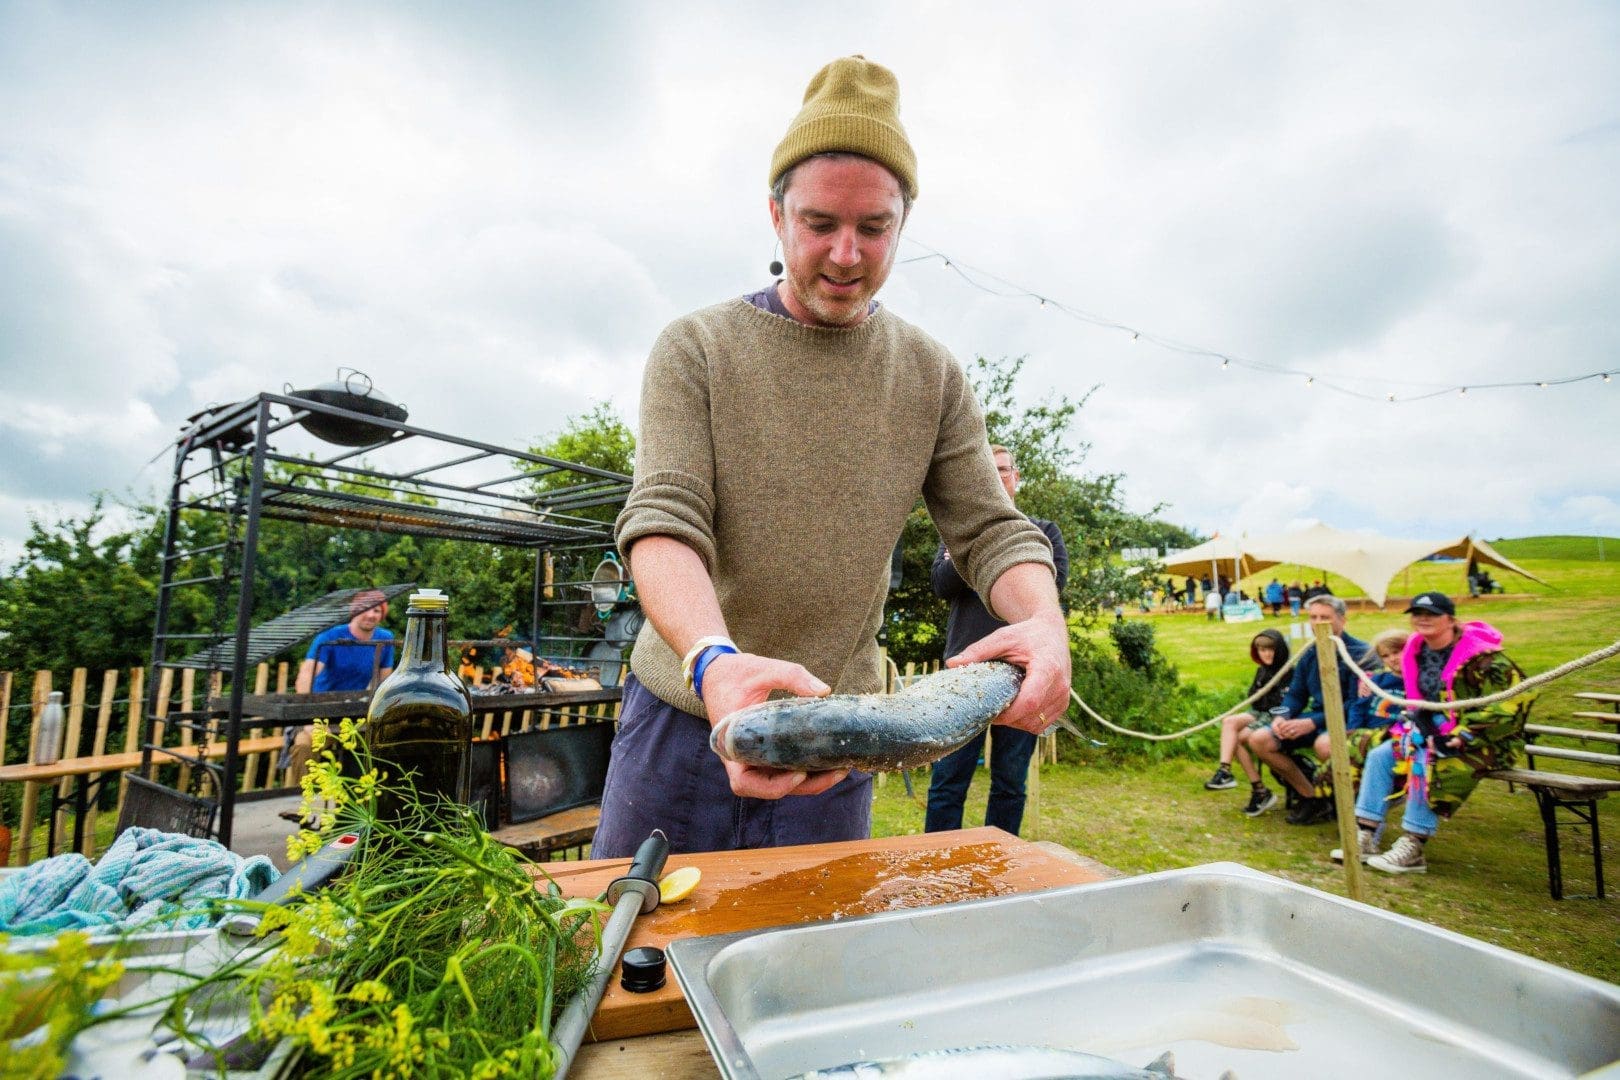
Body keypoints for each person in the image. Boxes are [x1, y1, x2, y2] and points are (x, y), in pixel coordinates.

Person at [592, 56, 1071, 858]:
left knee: (809, 966)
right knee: (633, 955)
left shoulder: (931, 373)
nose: (847, 254)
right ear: (776, 215)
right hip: (680, 723)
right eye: (820, 223)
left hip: (844, 741)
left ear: (902, 225)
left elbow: (993, 530)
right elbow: (662, 522)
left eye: (874, 228)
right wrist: (716, 664)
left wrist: (1047, 624)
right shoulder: (696, 348)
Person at [925, 447, 1069, 837]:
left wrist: (1005, 551)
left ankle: (1000, 859)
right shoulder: (953, 538)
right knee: (947, 779)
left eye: (1003, 470)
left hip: (1022, 673)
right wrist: (972, 543)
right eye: (988, 470)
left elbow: (1052, 589)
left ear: (1016, 477)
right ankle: (936, 860)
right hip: (963, 673)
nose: (997, 476)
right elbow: (941, 584)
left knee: (1009, 781)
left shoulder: (1042, 532)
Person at [1342, 593, 1529, 873]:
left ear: (1451, 619)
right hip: (1429, 732)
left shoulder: (1485, 659)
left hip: (1488, 741)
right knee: (1380, 754)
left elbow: (1513, 704)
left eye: (1432, 613)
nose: (1423, 619)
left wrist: (1464, 735)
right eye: (1417, 613)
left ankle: (1414, 844)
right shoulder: (1416, 652)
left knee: (1426, 759)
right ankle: (1366, 835)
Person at [1240, 595, 1367, 824]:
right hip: (1318, 719)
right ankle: (1311, 796)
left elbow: (1356, 704)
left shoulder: (1360, 654)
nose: (1318, 622)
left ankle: (1352, 807)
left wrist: (1312, 722)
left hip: (1351, 722)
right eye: (1314, 617)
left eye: (1325, 617)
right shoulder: (1310, 653)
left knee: (1324, 745)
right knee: (1260, 739)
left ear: (1342, 620)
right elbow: (1296, 694)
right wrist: (1282, 717)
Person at [282, 589, 395, 784]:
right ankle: (305, 801)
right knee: (304, 744)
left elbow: (385, 682)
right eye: (364, 609)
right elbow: (306, 676)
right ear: (354, 611)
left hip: (355, 713)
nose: (370, 615)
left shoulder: (385, 639)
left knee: (383, 745)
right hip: (322, 711)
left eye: (376, 611)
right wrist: (309, 718)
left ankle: (365, 802)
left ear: (382, 615)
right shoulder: (331, 637)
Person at [1203, 629, 1290, 817]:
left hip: (1275, 717)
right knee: (1229, 722)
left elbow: (1281, 703)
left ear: (1279, 650)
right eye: (1261, 650)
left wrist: (1267, 697)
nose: (1266, 654)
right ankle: (1225, 771)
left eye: (1270, 650)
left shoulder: (1287, 672)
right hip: (1258, 713)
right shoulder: (1261, 671)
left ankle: (1260, 791)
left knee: (1237, 739)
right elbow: (1254, 699)